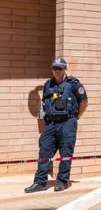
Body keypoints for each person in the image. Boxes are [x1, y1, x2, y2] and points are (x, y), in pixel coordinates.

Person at [25, 58, 88, 193]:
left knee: (66, 152)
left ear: (65, 69)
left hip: (67, 122)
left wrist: (76, 117)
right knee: (44, 151)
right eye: (55, 68)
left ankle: (62, 181)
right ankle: (40, 182)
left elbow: (84, 102)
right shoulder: (48, 85)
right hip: (51, 123)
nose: (57, 71)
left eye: (59, 68)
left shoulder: (74, 84)